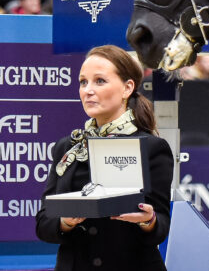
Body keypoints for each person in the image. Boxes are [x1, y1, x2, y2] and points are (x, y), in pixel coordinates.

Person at [36, 45, 174, 271]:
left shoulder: (152, 147)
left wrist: (148, 221)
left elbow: (161, 227)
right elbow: (43, 224)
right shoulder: (67, 147)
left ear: (127, 88)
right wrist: (65, 222)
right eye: (83, 82)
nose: (88, 90)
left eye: (100, 81)